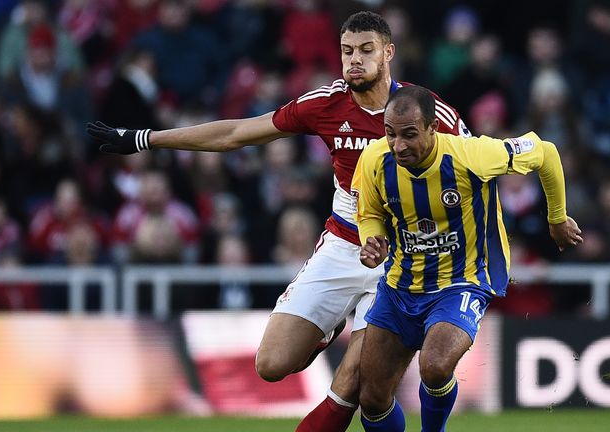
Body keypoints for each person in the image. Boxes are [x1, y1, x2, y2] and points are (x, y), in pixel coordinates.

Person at [86, 11, 467, 432]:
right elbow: (236, 134)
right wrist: (147, 139)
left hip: (400, 260)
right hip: (343, 246)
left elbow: (478, 173)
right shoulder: (324, 104)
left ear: (388, 53)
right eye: (346, 51)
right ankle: (328, 326)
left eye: (365, 50)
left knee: (359, 386)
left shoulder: (429, 113)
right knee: (271, 364)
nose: (353, 60)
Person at [351, 85, 582, 431]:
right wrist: (373, 239)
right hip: (400, 286)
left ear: (433, 127)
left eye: (409, 135)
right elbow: (369, 212)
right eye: (390, 134)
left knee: (434, 366)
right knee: (371, 398)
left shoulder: (471, 155)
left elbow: (545, 152)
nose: (398, 145)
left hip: (463, 280)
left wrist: (557, 217)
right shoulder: (374, 159)